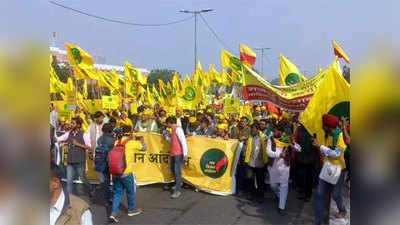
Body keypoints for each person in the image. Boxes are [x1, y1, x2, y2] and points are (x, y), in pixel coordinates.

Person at [311, 114, 348, 225]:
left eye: (323, 125)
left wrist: (320, 146)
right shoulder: (327, 133)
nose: (322, 126)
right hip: (327, 167)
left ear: (327, 126)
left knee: (336, 194)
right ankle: (317, 221)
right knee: (319, 193)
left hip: (338, 169)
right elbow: (326, 150)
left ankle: (342, 210)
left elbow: (336, 154)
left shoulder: (339, 136)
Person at [109, 124, 145, 223]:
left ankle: (113, 213)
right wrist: (141, 140)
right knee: (130, 191)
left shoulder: (116, 142)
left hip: (115, 171)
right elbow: (144, 148)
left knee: (117, 193)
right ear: (131, 132)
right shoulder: (132, 143)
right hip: (126, 172)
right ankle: (131, 209)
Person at [55, 117, 95, 197]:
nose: (71, 124)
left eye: (73, 123)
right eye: (71, 123)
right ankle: (70, 200)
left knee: (83, 178)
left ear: (78, 125)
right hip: (70, 161)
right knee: (69, 181)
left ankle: (91, 188)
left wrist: (78, 144)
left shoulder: (84, 134)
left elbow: (90, 147)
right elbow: (58, 139)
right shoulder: (68, 134)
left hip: (80, 161)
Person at [266, 122, 301, 215]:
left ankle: (282, 207)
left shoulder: (287, 139)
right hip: (273, 166)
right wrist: (279, 154)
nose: (273, 132)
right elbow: (268, 152)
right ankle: (279, 195)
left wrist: (293, 143)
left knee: (284, 186)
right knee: (272, 185)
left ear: (281, 132)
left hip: (285, 167)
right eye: (273, 131)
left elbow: (299, 149)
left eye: (275, 131)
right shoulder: (271, 139)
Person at [243, 122, 268, 203]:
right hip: (250, 162)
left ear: (257, 130)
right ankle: (252, 194)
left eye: (253, 130)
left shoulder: (264, 138)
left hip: (260, 163)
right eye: (251, 130)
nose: (251, 131)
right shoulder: (249, 137)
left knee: (260, 180)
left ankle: (260, 196)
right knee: (249, 179)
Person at [164, 116, 188, 199]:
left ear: (170, 123)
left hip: (178, 154)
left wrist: (185, 154)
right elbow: (173, 140)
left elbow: (183, 141)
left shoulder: (178, 129)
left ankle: (177, 191)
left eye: (167, 123)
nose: (166, 125)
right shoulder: (173, 130)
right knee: (172, 169)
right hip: (173, 153)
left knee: (177, 171)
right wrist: (167, 138)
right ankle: (178, 183)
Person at [293, 123, 318, 202]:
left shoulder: (315, 128)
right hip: (300, 156)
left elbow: (319, 142)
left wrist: (314, 140)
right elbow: (295, 140)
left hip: (311, 157)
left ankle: (308, 194)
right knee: (301, 175)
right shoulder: (299, 129)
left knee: (309, 177)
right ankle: (302, 191)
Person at [95, 123, 115, 206]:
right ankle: (112, 198)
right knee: (115, 181)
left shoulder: (99, 139)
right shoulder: (112, 140)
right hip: (111, 162)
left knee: (106, 181)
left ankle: (106, 199)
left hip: (102, 162)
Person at [88, 111, 105, 184]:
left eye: (102, 117)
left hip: (104, 149)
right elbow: (87, 137)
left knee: (105, 166)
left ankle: (105, 183)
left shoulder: (106, 126)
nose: (101, 119)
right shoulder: (91, 126)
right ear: (96, 118)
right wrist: (89, 148)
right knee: (99, 167)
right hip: (95, 149)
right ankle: (102, 182)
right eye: (99, 118)